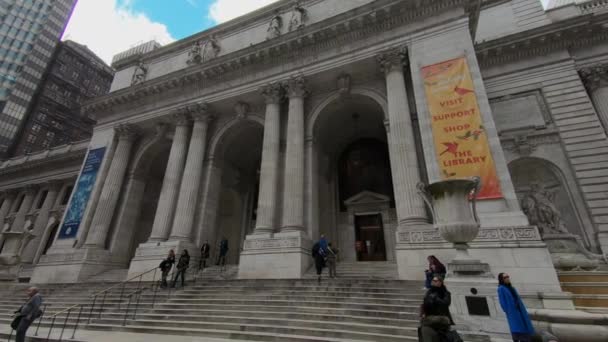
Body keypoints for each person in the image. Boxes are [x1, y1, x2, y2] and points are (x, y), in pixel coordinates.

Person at [497, 273, 535, 342]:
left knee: (524, 326)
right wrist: (509, 311)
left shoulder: (512, 288)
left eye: (508, 276)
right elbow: (502, 302)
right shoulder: (501, 289)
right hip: (513, 313)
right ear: (502, 279)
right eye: (505, 277)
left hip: (520, 310)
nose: (507, 278)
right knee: (517, 328)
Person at [419, 276, 455, 342]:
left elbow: (446, 303)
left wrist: (436, 299)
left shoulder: (445, 293)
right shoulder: (429, 292)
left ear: (440, 282)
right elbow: (424, 304)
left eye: (435, 281)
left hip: (441, 320)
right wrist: (422, 313)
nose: (433, 282)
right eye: (432, 280)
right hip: (429, 320)